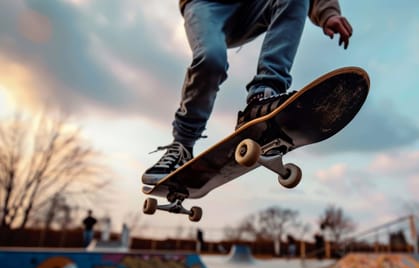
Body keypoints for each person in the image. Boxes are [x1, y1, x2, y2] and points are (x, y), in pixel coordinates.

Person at [142, 0, 353, 184]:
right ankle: (182, 146)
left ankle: (263, 96)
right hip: (205, 6)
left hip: (248, 9)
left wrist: (328, 12)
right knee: (211, 59)